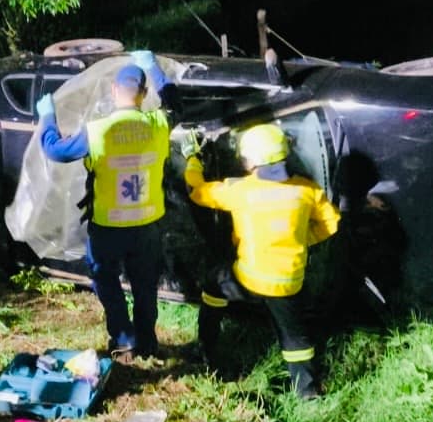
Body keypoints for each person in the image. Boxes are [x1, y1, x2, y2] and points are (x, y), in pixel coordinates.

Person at [36, 50, 178, 360]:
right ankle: (147, 344)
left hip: (108, 227)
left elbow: (55, 151)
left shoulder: (97, 131)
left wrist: (48, 117)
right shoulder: (158, 124)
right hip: (146, 226)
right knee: (145, 287)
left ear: (114, 90)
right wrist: (153, 67)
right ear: (143, 94)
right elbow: (175, 102)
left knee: (106, 281)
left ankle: (124, 337)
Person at [182, 123, 340, 398]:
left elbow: (198, 191)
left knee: (213, 286)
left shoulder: (240, 191)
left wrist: (192, 161)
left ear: (252, 161)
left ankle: (204, 347)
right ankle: (307, 392)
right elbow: (331, 223)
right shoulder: (306, 190)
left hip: (249, 278)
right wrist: (303, 239)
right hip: (288, 282)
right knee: (295, 337)